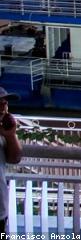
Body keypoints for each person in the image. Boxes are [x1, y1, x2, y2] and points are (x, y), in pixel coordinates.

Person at [0, 89, 21, 236]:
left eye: (5, 103)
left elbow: (14, 158)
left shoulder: (3, 130)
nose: (3, 107)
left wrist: (11, 135)